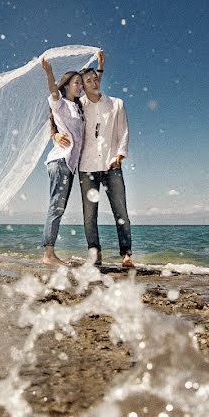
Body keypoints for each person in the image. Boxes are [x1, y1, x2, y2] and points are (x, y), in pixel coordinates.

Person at [54, 54, 134, 268]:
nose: (93, 83)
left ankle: (126, 254)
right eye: (87, 81)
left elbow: (123, 131)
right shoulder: (78, 105)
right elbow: (55, 114)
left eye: (95, 79)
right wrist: (54, 135)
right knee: (90, 214)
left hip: (111, 165)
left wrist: (120, 155)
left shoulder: (116, 104)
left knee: (121, 211)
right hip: (86, 167)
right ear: (82, 85)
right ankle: (95, 253)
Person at [39, 55, 85, 266]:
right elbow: (53, 92)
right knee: (56, 207)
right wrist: (49, 74)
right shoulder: (61, 104)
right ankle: (49, 255)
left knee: (59, 207)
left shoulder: (78, 106)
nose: (81, 86)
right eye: (77, 83)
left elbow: (96, 92)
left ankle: (50, 252)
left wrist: (101, 67)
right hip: (60, 161)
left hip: (69, 165)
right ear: (66, 86)